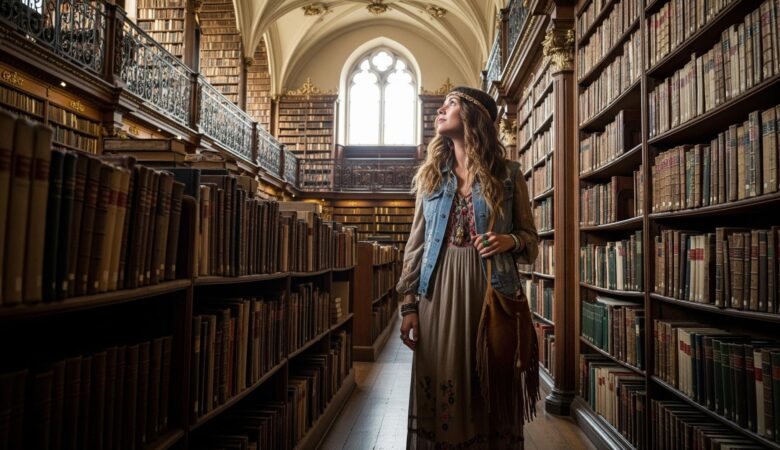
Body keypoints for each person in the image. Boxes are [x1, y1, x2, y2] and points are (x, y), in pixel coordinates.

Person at [396, 86, 539, 449]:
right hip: (438, 293)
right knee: (442, 374)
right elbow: (415, 247)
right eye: (442, 104)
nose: (440, 110)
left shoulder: (508, 174)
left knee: (489, 378)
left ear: (474, 115)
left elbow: (531, 242)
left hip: (492, 289)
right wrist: (409, 306)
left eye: (451, 103)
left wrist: (511, 241)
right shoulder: (430, 177)